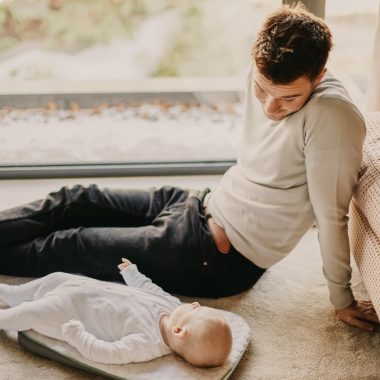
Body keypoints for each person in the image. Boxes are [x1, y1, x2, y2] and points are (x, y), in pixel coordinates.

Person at [0, 3, 378, 332]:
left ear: (321, 73)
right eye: (263, 90)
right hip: (197, 203)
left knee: (71, 244)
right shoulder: (264, 71)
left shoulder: (333, 118)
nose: (270, 109)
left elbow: (332, 216)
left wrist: (341, 298)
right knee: (74, 199)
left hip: (214, 255)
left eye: (289, 98)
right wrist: (273, 93)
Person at [0, 258, 232, 367]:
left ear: (179, 331)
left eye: (196, 309)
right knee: (54, 278)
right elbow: (150, 288)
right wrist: (133, 274)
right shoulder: (171, 306)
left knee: (27, 314)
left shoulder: (145, 344)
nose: (194, 304)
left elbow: (107, 353)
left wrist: (78, 336)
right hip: (80, 288)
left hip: (68, 312)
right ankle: (10, 293)